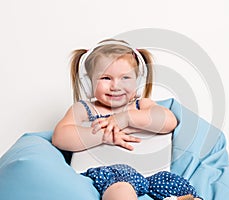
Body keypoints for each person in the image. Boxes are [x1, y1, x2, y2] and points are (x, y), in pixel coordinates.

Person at [52, 39, 202, 200]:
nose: (116, 86)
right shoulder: (84, 109)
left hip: (150, 175)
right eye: (106, 78)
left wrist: (126, 119)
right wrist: (104, 134)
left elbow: (169, 122)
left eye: (125, 78)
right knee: (122, 187)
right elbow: (60, 137)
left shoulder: (141, 105)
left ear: (138, 82)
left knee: (178, 186)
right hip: (113, 176)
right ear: (89, 83)